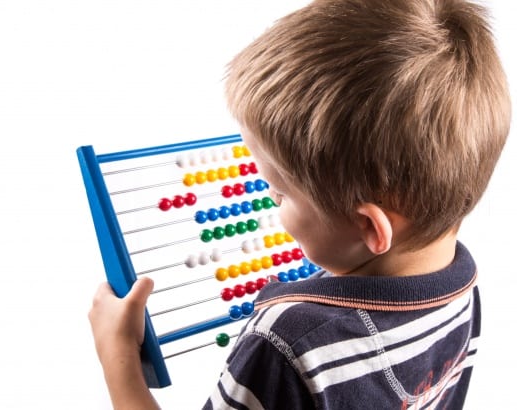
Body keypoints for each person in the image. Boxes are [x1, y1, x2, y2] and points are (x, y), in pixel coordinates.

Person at [88, 0, 511, 408]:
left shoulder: (285, 342)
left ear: (369, 228)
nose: (270, 198)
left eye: (282, 192)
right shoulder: (460, 281)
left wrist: (119, 359)